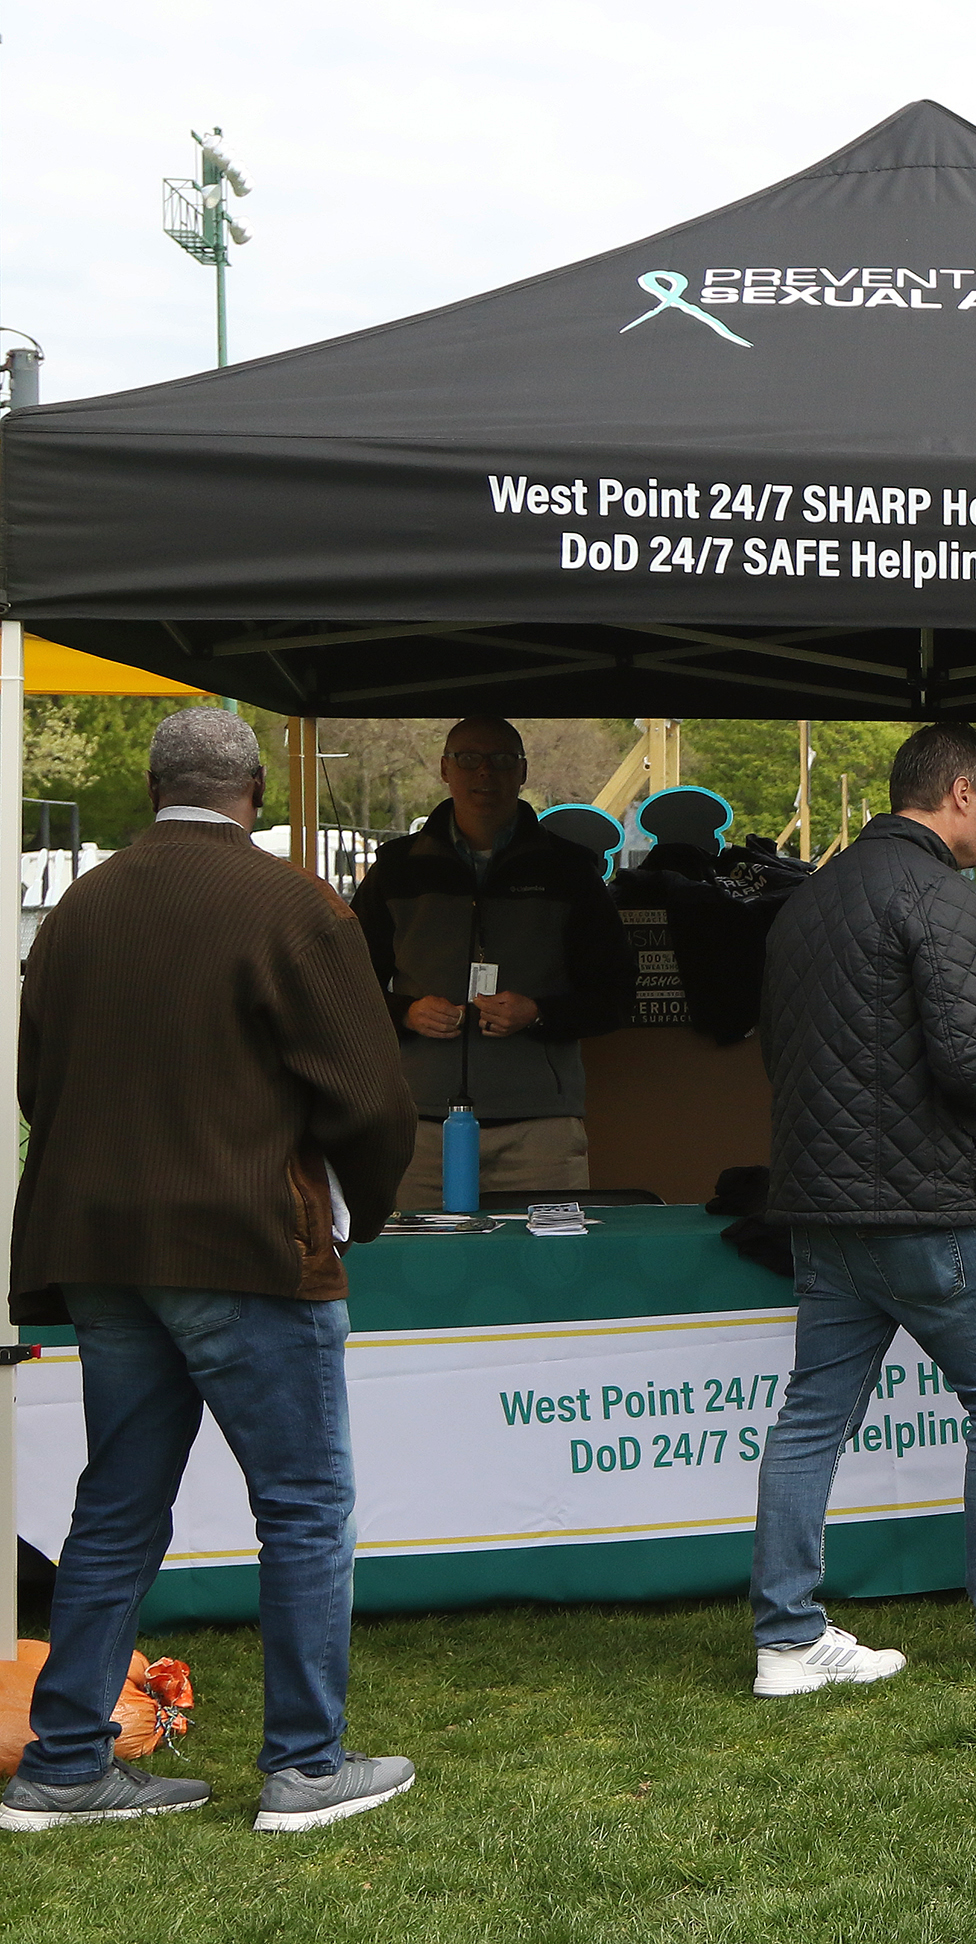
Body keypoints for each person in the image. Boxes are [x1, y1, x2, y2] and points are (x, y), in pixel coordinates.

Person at [1, 709, 420, 1835]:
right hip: (243, 1242)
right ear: (249, 792)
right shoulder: (292, 901)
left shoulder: (80, 906)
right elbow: (372, 1097)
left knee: (119, 1506)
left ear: (152, 787)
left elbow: (40, 1079)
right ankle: (306, 1765)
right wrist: (360, 1210)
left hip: (101, 1247)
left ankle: (64, 1765)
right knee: (303, 1504)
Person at [749, 722, 976, 1694]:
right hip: (935, 1206)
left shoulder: (811, 896)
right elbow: (970, 1062)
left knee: (810, 1420)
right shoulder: (941, 895)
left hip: (824, 1209)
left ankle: (786, 1637)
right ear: (960, 792)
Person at [352, 717, 634, 1206]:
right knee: (420, 1277)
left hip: (540, 1129)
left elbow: (615, 992)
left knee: (549, 1276)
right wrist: (406, 1012)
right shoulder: (396, 868)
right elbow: (343, 988)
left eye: (502, 759)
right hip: (420, 1128)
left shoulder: (570, 869)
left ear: (522, 772)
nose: (485, 772)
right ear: (445, 768)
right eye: (468, 758)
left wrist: (539, 1012)